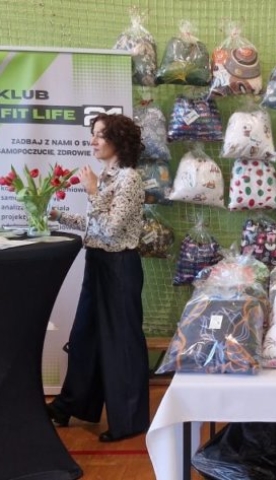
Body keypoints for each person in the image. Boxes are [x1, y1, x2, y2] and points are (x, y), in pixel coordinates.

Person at [46, 113, 149, 442]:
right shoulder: (107, 176)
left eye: (100, 135)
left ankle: (129, 421)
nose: (93, 141)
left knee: (121, 344)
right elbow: (96, 224)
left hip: (119, 267)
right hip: (98, 262)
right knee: (84, 338)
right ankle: (69, 405)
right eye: (93, 134)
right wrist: (58, 215)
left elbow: (112, 228)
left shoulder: (130, 179)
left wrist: (92, 192)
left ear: (118, 139)